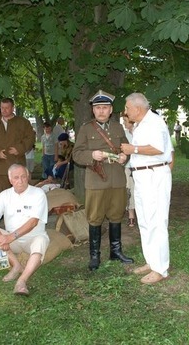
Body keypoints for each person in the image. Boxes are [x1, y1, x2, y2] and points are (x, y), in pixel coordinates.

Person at [72, 90, 134, 271]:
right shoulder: (86, 128)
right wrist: (92, 154)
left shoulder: (118, 127)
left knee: (116, 215)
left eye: (105, 108)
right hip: (97, 180)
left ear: (111, 109)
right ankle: (94, 256)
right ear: (93, 110)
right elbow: (76, 154)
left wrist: (124, 157)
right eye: (98, 108)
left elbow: (125, 149)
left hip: (116, 179)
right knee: (95, 218)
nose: (101, 111)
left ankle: (116, 251)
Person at [120, 92, 174, 285]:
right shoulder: (141, 125)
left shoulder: (155, 122)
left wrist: (132, 149)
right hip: (142, 176)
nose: (125, 111)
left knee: (156, 222)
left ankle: (160, 269)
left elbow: (159, 148)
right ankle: (152, 262)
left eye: (127, 108)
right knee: (144, 221)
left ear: (138, 108)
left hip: (154, 176)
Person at [0, 164, 49, 296]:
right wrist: (1, 237)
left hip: (33, 237)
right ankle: (16, 265)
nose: (20, 181)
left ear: (28, 177)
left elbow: (33, 222)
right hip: (11, 241)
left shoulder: (38, 193)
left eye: (23, 177)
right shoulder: (4, 195)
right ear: (10, 180)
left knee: (41, 241)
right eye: (16, 177)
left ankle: (22, 281)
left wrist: (10, 237)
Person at [0, 97, 35, 192]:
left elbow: (30, 138)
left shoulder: (23, 122)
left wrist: (19, 148)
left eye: (7, 108)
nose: (4, 110)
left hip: (17, 163)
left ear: (12, 108)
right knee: (3, 194)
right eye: (2, 108)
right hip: (1, 166)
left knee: (20, 192)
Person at [121, 114, 137, 227]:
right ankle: (131, 215)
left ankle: (141, 214)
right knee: (128, 189)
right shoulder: (124, 135)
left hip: (140, 167)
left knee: (139, 190)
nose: (124, 123)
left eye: (125, 121)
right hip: (127, 166)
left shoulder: (141, 133)